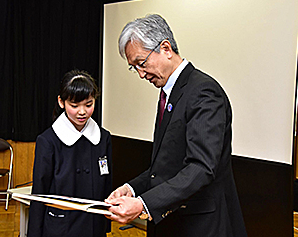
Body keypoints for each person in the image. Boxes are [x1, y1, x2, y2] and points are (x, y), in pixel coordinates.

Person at [105, 14, 247, 237]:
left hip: (199, 225)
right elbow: (165, 167)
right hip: (173, 222)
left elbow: (200, 168)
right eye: (134, 68)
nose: (141, 74)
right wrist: (131, 189)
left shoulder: (203, 92)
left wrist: (142, 204)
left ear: (166, 48)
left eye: (142, 63)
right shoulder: (169, 93)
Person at [27, 70, 112, 237]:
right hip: (61, 226)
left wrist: (105, 223)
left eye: (88, 104)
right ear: (61, 102)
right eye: (74, 105)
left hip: (93, 224)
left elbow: (106, 183)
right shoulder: (48, 140)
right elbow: (39, 192)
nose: (82, 112)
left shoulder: (104, 137)